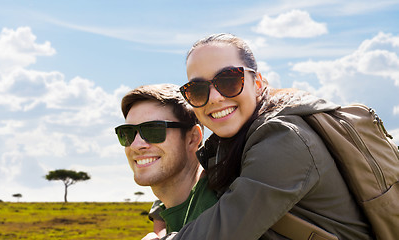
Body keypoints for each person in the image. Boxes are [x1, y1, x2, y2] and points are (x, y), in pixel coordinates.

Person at [150, 33, 375, 240]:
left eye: (229, 80)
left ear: (257, 84)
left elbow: (224, 231)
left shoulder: (285, 139)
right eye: (198, 90)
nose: (215, 98)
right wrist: (160, 214)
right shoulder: (233, 143)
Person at [115, 84, 218, 238]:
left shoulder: (219, 210)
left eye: (154, 130)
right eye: (128, 133)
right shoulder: (170, 206)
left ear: (192, 138)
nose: (136, 145)